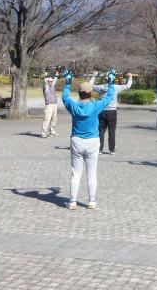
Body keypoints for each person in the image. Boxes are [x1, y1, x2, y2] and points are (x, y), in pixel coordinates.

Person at [62, 69, 116, 210]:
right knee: (91, 173)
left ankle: (73, 202)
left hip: (77, 141)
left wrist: (68, 82)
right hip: (92, 141)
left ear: (79, 93)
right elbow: (110, 96)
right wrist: (110, 81)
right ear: (91, 93)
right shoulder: (95, 106)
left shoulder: (73, 106)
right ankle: (91, 201)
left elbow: (65, 97)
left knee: (76, 173)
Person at [89, 71, 133, 155]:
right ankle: (112, 149)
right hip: (112, 111)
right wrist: (130, 77)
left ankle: (99, 149)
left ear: (105, 78)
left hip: (102, 111)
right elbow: (128, 86)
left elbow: (90, 85)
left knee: (101, 131)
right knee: (112, 131)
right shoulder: (115, 87)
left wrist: (94, 76)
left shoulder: (101, 87)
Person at [41, 70, 59, 138]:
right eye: (50, 81)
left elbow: (55, 79)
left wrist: (57, 72)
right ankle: (43, 133)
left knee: (54, 118)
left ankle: (52, 131)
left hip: (54, 104)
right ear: (47, 81)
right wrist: (45, 73)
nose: (51, 82)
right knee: (47, 119)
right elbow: (45, 79)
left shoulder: (52, 86)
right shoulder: (46, 87)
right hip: (48, 105)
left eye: (51, 81)